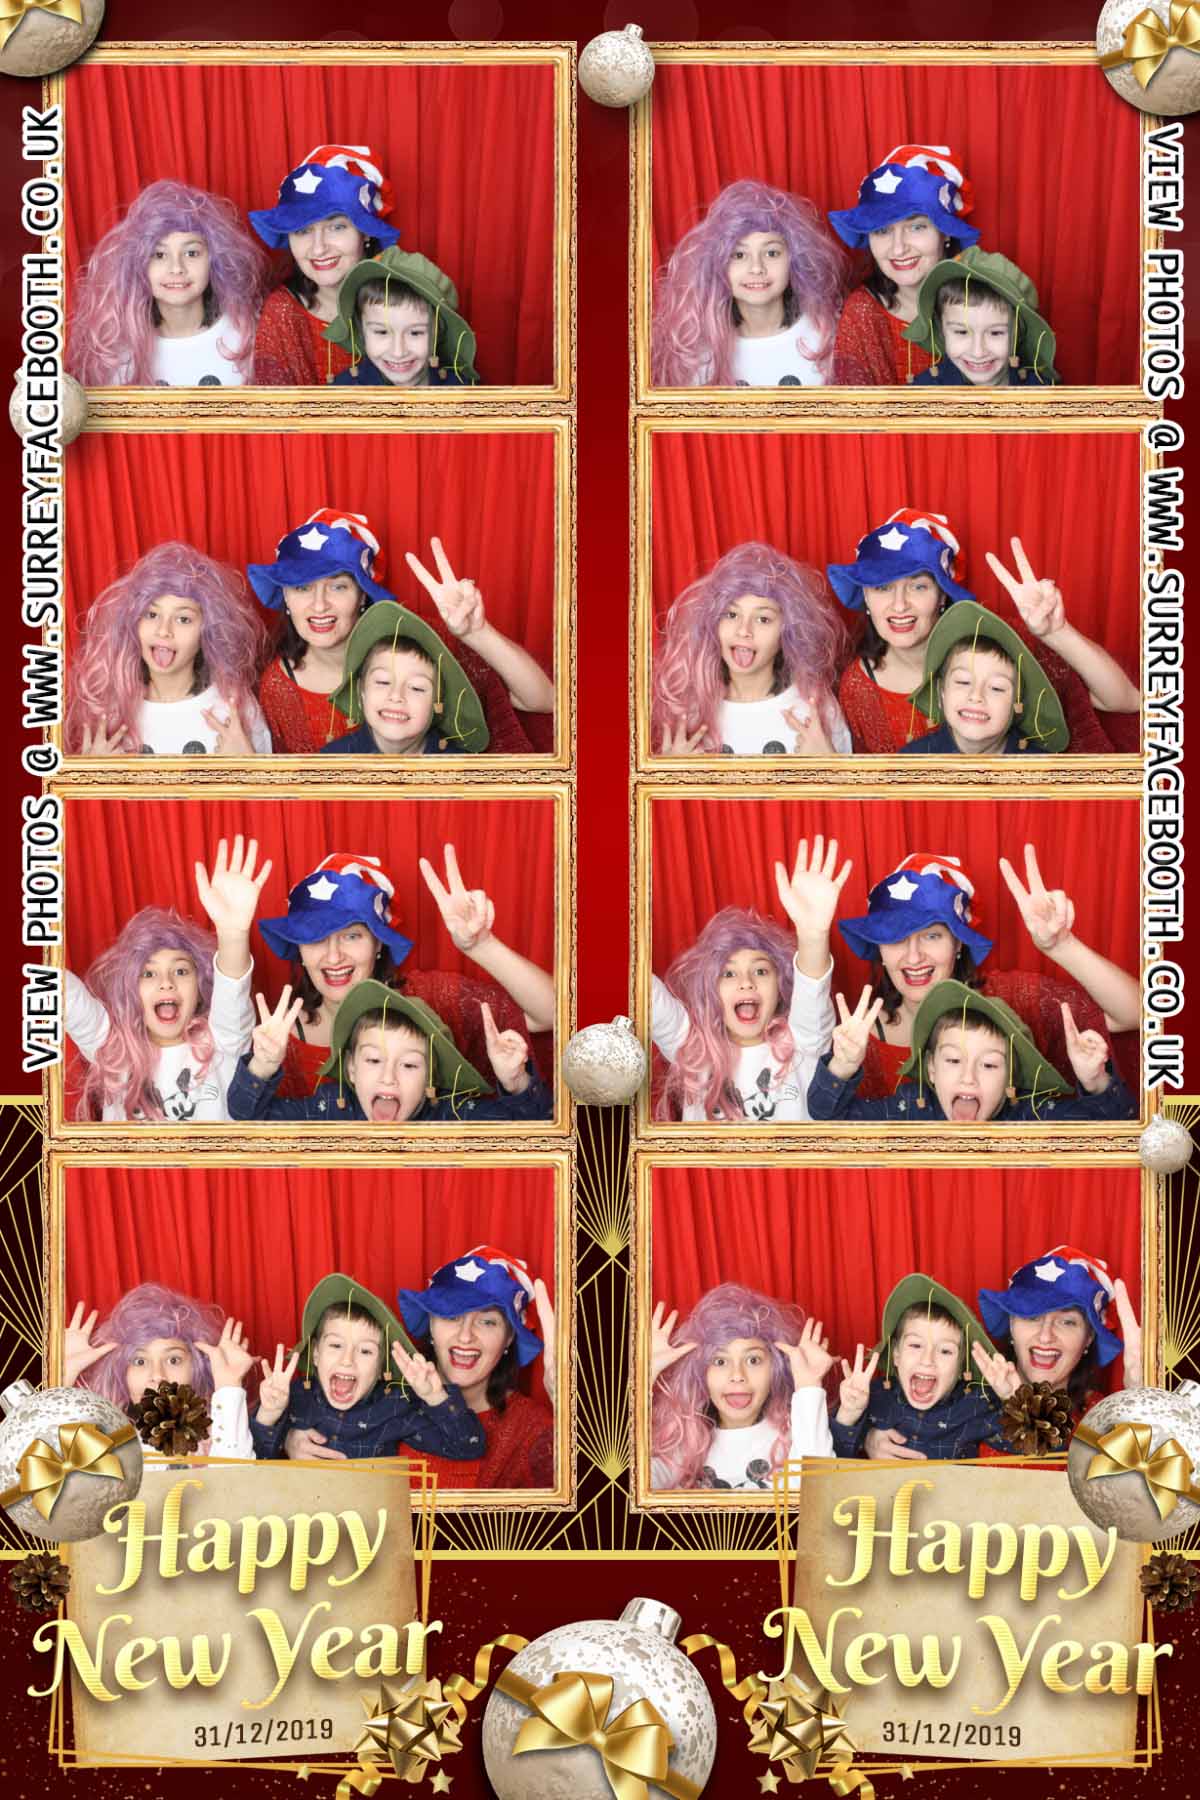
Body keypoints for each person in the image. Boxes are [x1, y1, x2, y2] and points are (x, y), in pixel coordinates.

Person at [199, 839, 554, 1100]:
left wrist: (480, 945)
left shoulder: (432, 998)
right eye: (316, 937)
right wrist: (232, 935)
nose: (333, 956)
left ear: (379, 943)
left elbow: (550, 1014)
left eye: (352, 935)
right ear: (300, 950)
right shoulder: (277, 1037)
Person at [829, 847, 1139, 1098]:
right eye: (896, 938)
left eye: (932, 935)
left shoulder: (1015, 998)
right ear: (879, 949)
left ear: (958, 943)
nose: (913, 957)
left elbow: (1136, 1013)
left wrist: (1062, 946)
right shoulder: (858, 1040)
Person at [829, 510, 1135, 754]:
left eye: (918, 586)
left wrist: (1057, 632)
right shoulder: (858, 689)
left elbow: (1126, 700)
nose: (899, 605)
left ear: (942, 595)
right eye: (882, 587)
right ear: (865, 596)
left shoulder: (1002, 642)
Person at [252, 511, 541, 754]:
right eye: (302, 587)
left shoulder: (420, 640)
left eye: (338, 586)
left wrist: (477, 633)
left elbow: (542, 699)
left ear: (362, 594)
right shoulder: (278, 689)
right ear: (285, 596)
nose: (319, 605)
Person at [652, 837, 849, 1122]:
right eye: (728, 973)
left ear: (781, 988)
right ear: (711, 990)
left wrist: (813, 935)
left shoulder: (803, 1044)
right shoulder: (693, 1049)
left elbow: (812, 991)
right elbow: (646, 994)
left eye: (760, 971)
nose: (746, 982)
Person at [65, 840, 264, 1121]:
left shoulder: (223, 1042)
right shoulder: (114, 1050)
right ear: (131, 990)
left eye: (181, 971)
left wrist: (233, 934)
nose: (166, 982)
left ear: (201, 988)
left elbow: (232, 992)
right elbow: (64, 993)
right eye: (148, 973)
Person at [806, 979, 1139, 1124]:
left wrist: (1095, 1081)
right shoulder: (909, 1110)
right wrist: (843, 1066)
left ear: (1011, 1077)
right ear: (932, 1069)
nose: (968, 1077)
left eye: (989, 1065)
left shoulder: (1030, 1116)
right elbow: (827, 1118)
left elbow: (1117, 1127)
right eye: (953, 1060)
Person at [226, 978, 553, 1124]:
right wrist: (263, 1065)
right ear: (351, 1069)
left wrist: (515, 1082)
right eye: (373, 1059)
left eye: (409, 1065)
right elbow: (247, 1117)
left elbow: (537, 1124)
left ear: (431, 1077)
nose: (388, 1077)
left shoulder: (452, 1116)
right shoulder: (329, 1111)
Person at [67, 542, 271, 756]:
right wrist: (92, 772)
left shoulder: (235, 709)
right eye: (151, 614)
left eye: (183, 619)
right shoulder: (110, 713)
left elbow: (271, 778)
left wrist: (247, 767)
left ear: (208, 631)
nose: (164, 630)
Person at [249, 1275, 485, 1461]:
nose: (347, 1360)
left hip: (372, 1509)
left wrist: (435, 1397)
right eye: (336, 1345)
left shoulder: (395, 1406)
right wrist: (268, 1415)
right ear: (316, 1355)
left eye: (365, 1351)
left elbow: (468, 1447)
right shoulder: (294, 1396)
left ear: (382, 1366)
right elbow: (251, 1462)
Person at [652, 543, 850, 756]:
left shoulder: (816, 709)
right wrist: (670, 772)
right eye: (731, 615)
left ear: (788, 632)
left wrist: (828, 766)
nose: (744, 630)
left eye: (763, 619)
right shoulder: (689, 712)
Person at [68, 180, 264, 388]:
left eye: (191, 253)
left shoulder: (247, 338)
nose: (176, 268)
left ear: (215, 260)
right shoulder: (118, 356)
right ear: (138, 265)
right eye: (159, 255)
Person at [651, 179, 845, 388]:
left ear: (796, 260)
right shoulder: (697, 356)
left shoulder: (829, 338)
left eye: (772, 253)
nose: (756, 268)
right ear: (718, 265)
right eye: (739, 255)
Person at [395, 1247, 556, 1489]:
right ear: (431, 1324)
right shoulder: (387, 1400)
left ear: (509, 1338)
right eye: (452, 1316)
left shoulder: (533, 1429)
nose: (465, 1336)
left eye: (487, 1321)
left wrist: (576, 1416)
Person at [650, 1285, 834, 1490]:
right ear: (701, 1374)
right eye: (720, 1361)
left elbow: (819, 1492)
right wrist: (645, 1376)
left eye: (753, 1360)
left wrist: (808, 1387)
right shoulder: (685, 1449)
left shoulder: (796, 1438)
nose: (737, 1375)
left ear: (775, 1369)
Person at [250, 144, 400, 386]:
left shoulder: (407, 298)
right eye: (303, 230)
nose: (318, 248)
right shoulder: (282, 313)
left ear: (365, 232)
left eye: (336, 227)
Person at [829, 144, 978, 386]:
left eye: (916, 227)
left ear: (946, 232)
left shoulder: (985, 298)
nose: (898, 248)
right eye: (882, 230)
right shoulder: (862, 313)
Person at [830, 1276, 1007, 1459]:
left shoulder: (979, 1403)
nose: (927, 1360)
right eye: (915, 1345)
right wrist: (848, 1415)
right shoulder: (872, 1396)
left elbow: (1020, 1446)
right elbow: (830, 1461)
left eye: (945, 1351)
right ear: (896, 1355)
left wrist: (1011, 1398)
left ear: (962, 1366)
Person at [66, 1288, 255, 1457]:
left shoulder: (223, 1432)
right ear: (122, 1375)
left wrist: (229, 1387)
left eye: (173, 1360)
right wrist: (64, 1376)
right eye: (140, 1361)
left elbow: (235, 1480)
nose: (157, 1375)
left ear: (197, 1368)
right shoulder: (105, 1447)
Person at [977, 1245, 1143, 1421]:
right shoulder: (969, 1411)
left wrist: (1142, 1402)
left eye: (1067, 1322)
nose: (1045, 1337)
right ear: (1011, 1324)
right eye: (1032, 1316)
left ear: (1089, 1338)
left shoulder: (1104, 1421)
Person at [898, 601, 1068, 757]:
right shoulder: (909, 763)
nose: (976, 696)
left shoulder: (1042, 770)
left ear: (1018, 705)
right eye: (963, 682)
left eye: (997, 688)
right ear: (941, 692)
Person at [318, 601, 488, 756]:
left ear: (438, 704)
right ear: (361, 692)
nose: (396, 696)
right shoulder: (329, 763)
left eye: (417, 688)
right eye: (383, 682)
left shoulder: (459, 769)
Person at [325, 247, 479, 386]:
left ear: (437, 332)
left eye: (415, 333)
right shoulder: (339, 398)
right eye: (381, 332)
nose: (398, 352)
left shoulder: (464, 392)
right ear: (360, 331)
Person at [907, 248, 1060, 387]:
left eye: (996, 333)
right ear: (941, 330)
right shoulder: (918, 398)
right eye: (961, 332)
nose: (978, 352)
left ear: (1017, 332)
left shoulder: (1043, 391)